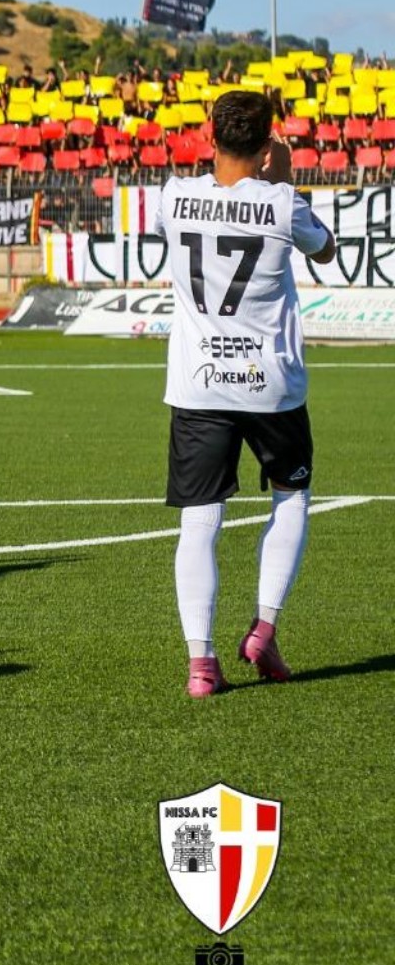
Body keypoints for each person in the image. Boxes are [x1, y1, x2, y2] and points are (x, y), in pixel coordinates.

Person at [151, 89, 335, 698]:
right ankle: (264, 627)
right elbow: (325, 248)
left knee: (200, 522)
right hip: (272, 385)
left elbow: (194, 209)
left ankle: (200, 663)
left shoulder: (174, 198)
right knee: (291, 498)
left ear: (210, 136)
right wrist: (284, 182)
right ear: (267, 145)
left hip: (199, 383)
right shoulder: (283, 203)